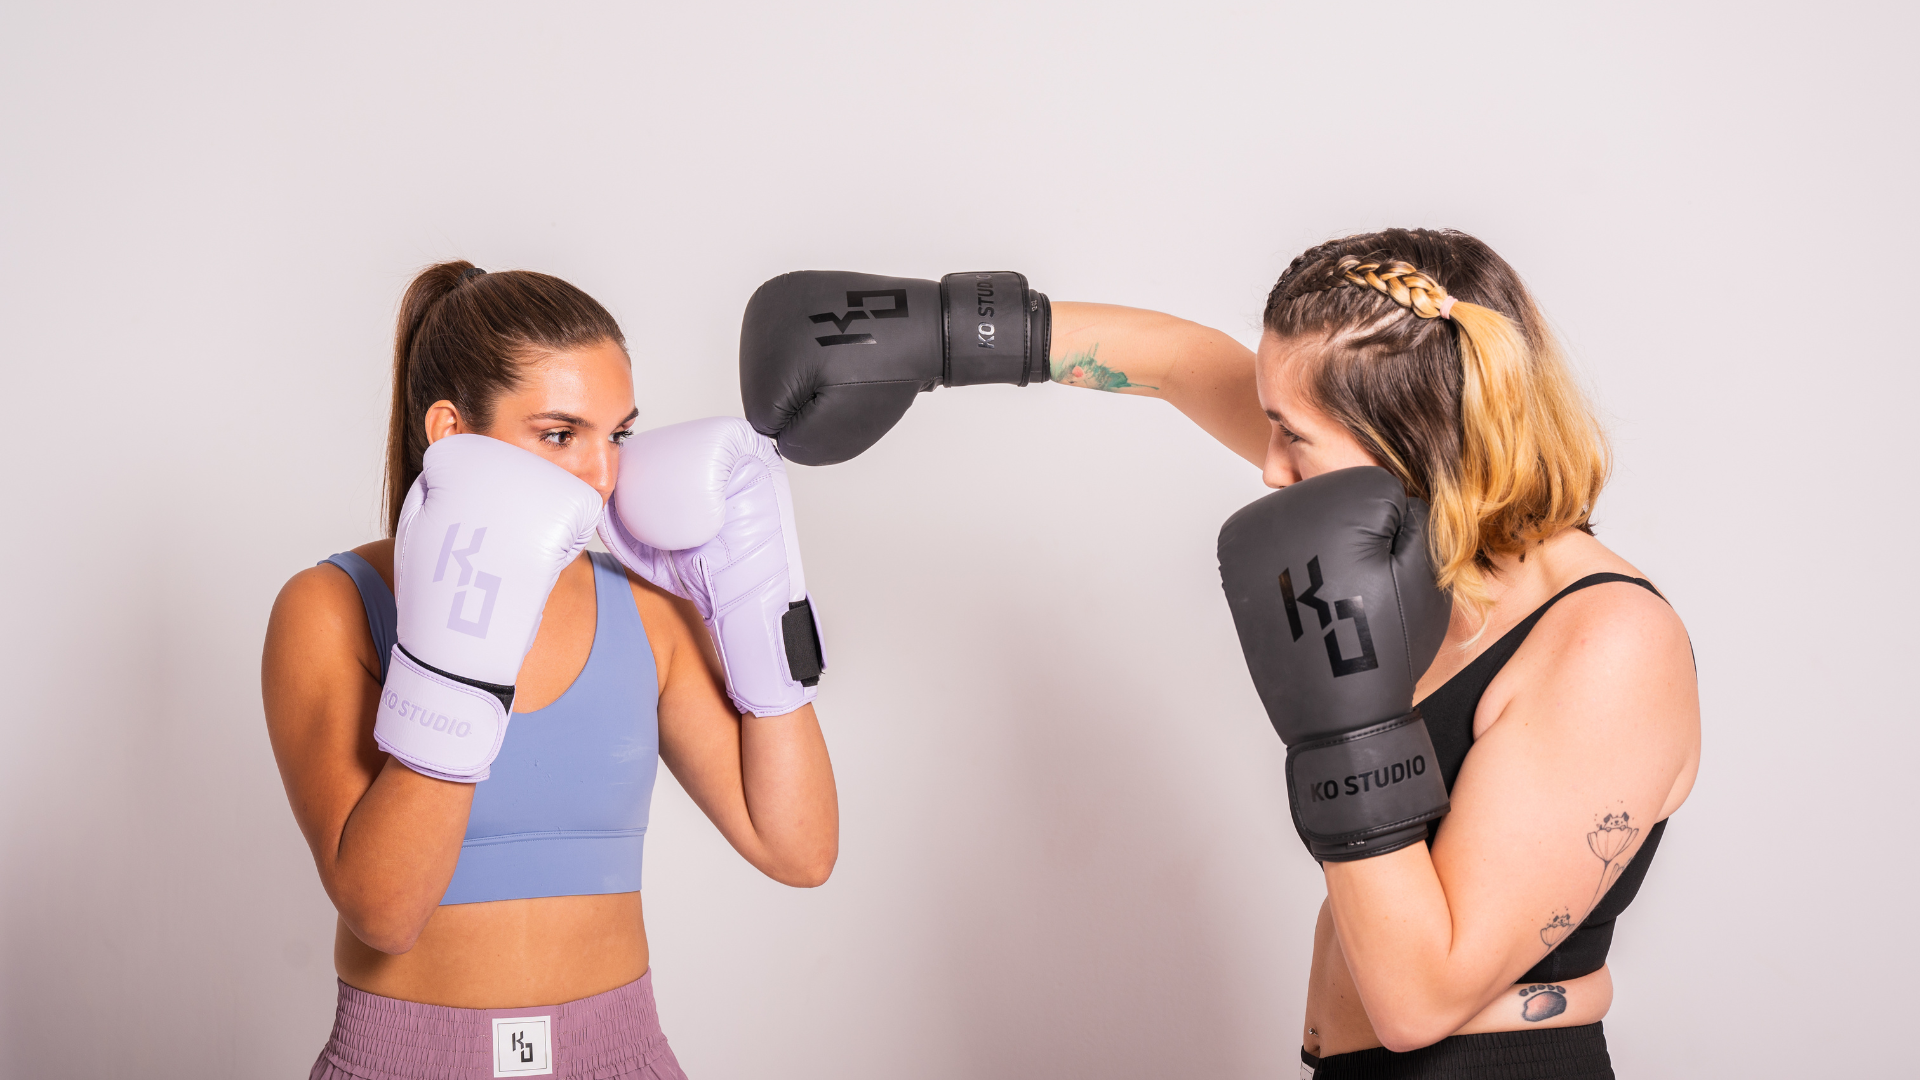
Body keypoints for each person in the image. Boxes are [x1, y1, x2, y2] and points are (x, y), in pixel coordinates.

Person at [737, 229, 1699, 1078]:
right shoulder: (1423, 531)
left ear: (1420, 442)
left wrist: (1345, 726)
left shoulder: (1607, 646)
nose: (1268, 470)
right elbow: (1179, 361)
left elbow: (1418, 1001)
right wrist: (950, 329)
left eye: (1293, 437)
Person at [263, 262, 837, 1079]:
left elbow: (800, 850)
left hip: (623, 1057)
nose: (602, 475)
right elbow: (384, 914)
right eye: (561, 434)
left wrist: (759, 605)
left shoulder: (647, 608)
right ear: (451, 433)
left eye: (619, 435)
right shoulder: (332, 607)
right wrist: (456, 653)